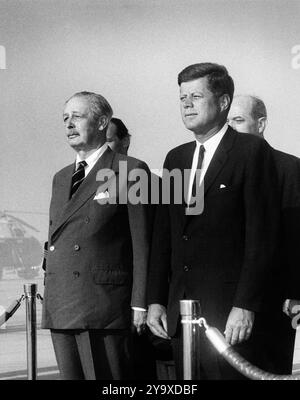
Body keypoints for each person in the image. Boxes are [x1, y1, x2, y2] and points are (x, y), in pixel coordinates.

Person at [147, 63, 282, 379]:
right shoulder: (175, 158)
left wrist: (245, 305)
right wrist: (155, 300)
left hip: (229, 317)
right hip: (181, 315)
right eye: (182, 98)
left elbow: (262, 237)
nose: (187, 105)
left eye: (196, 96)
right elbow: (164, 235)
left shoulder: (251, 151)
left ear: (223, 102)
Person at [41, 91, 151, 380]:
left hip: (104, 306)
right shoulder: (61, 177)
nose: (68, 124)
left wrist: (140, 303)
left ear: (102, 121)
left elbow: (143, 244)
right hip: (62, 302)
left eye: (77, 116)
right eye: (65, 118)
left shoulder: (130, 170)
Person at [228, 94, 300, 372]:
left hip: (275, 301)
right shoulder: (216, 169)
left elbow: (295, 236)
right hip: (227, 298)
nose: (231, 128)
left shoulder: (289, 167)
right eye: (227, 122)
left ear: (261, 124)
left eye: (238, 120)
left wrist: (295, 292)